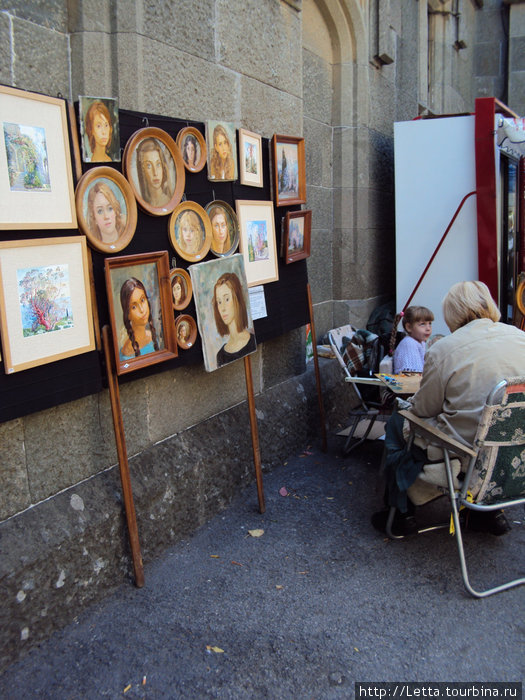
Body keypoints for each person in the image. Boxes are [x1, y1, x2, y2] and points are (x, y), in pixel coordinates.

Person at [373, 281, 525, 536]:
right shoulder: (520, 337)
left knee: (400, 421)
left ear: (451, 313)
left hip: (466, 452)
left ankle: (401, 511)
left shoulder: (445, 349)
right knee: (491, 435)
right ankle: (484, 512)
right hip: (516, 450)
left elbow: (423, 409)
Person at [213, 272, 256, 367]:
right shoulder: (220, 356)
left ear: (237, 298)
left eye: (227, 299)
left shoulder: (252, 341)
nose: (222, 308)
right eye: (219, 302)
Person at [119, 278, 160, 360]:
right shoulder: (127, 353)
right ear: (128, 315)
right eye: (134, 307)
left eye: (142, 300)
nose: (141, 309)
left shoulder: (153, 336)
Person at [392, 305, 434, 373]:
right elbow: (415, 375)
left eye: (430, 323)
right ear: (409, 327)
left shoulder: (421, 342)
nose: (428, 328)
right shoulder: (409, 344)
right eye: (422, 324)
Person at [136, 137, 173, 207]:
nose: (155, 173)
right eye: (149, 166)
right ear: (142, 170)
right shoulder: (143, 201)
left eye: (158, 164)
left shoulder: (168, 201)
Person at [86, 181, 124, 246]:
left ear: (115, 211)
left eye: (110, 208)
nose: (106, 216)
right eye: (100, 211)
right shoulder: (95, 243)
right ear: (94, 217)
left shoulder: (125, 233)